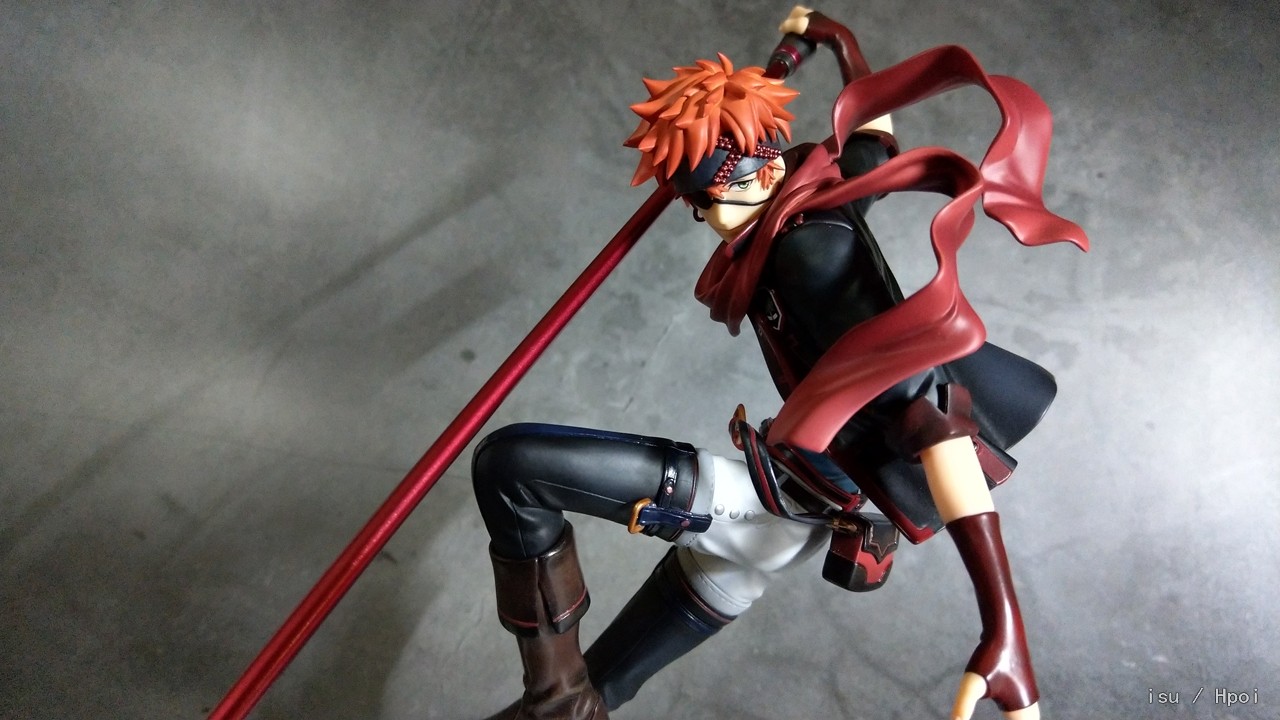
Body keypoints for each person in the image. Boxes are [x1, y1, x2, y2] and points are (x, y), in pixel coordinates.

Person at [470, 7, 1087, 720]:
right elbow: (872, 142)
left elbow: (937, 420)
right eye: (693, 204)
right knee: (594, 702)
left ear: (760, 170)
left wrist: (1003, 627)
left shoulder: (810, 253)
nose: (710, 221)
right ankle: (563, 704)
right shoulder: (811, 194)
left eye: (711, 197)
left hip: (763, 504)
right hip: (779, 519)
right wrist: (836, 40)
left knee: (510, 467)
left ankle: (552, 693)